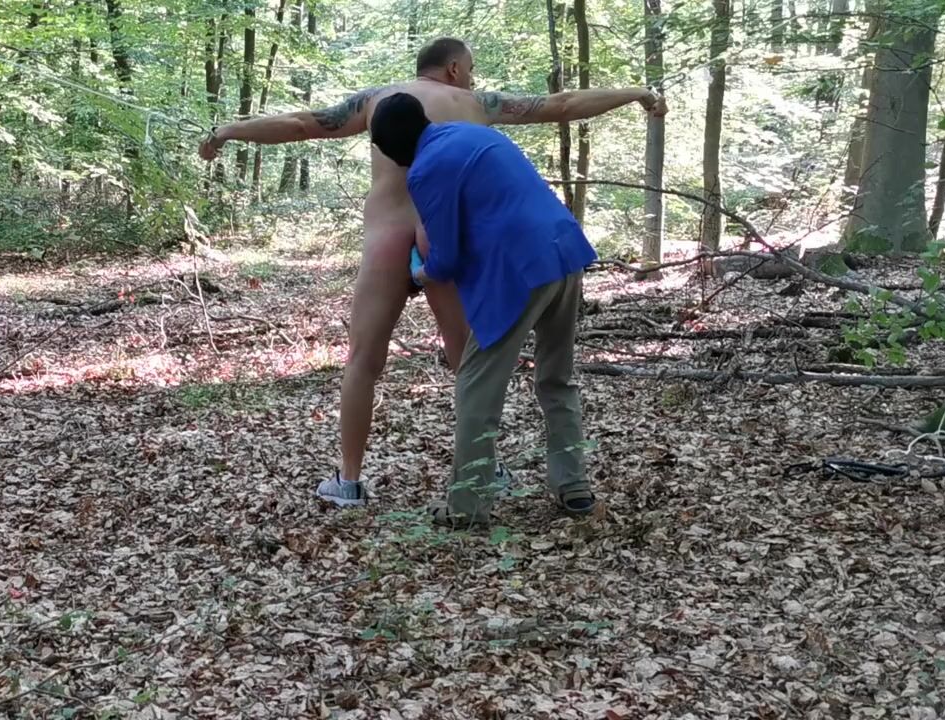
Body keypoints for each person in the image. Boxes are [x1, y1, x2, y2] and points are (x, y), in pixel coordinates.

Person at [198, 38, 666, 507]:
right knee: (468, 361)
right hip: (444, 238)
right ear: (455, 68)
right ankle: (484, 470)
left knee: (363, 360)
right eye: (472, 68)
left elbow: (302, 124)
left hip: (386, 236)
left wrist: (227, 132)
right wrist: (637, 93)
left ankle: (349, 481)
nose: (473, 77)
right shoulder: (477, 104)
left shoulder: (379, 101)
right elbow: (562, 105)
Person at [369, 91, 597, 527]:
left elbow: (447, 258)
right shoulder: (473, 135)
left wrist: (417, 274)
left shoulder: (426, 169)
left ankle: (468, 507)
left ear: (392, 150)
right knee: (556, 377)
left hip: (519, 270)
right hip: (563, 250)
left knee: (475, 387)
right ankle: (574, 487)